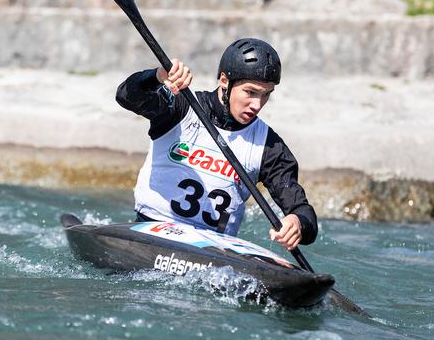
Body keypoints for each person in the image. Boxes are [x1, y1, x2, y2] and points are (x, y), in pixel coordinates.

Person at [115, 38, 317, 250]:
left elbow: (303, 211)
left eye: (266, 95)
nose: (257, 104)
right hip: (152, 229)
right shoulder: (181, 107)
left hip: (213, 249)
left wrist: (297, 223)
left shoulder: (268, 145)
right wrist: (157, 76)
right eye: (250, 92)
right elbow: (126, 96)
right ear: (224, 81)